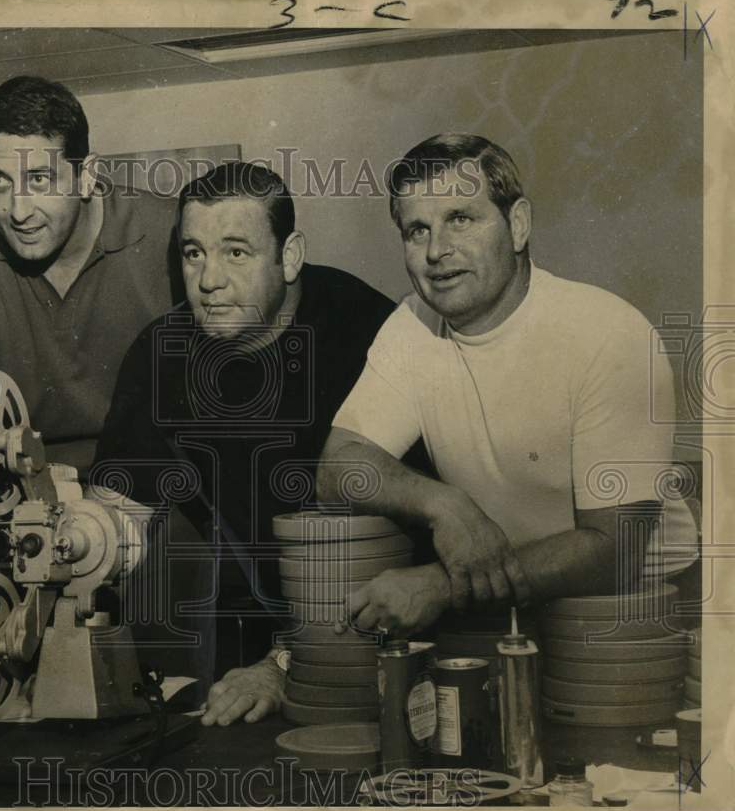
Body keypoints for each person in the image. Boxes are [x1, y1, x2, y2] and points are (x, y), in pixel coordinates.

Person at [318, 133, 698, 635]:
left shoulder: (607, 333)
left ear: (517, 225)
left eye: (460, 219)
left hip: (646, 604)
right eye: (417, 230)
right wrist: (445, 505)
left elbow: (615, 551)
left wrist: (442, 585)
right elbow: (337, 467)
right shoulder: (413, 323)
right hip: (518, 600)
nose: (437, 251)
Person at [92, 162, 425, 726]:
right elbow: (114, 516)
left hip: (393, 628)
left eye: (236, 253)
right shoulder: (161, 354)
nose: (209, 280)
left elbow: (406, 550)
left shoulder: (369, 333)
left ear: (289, 256)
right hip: (266, 627)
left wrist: (284, 661)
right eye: (193, 253)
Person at [0, 76, 180, 587]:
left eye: (40, 179)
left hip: (163, 508)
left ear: (86, 175)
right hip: (29, 524)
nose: (18, 210)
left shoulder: (173, 237)